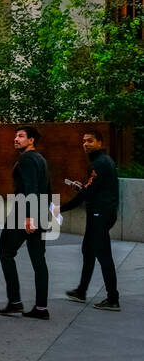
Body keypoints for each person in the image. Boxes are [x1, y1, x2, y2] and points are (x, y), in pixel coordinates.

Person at [0, 126, 53, 320]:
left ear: (31, 140)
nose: (16, 139)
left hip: (24, 213)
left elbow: (31, 187)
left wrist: (29, 217)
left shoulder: (27, 159)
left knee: (6, 253)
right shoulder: (41, 159)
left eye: (21, 136)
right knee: (39, 261)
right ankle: (41, 308)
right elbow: (45, 188)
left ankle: (15, 302)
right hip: (40, 213)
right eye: (15, 136)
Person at [62, 130, 121, 311]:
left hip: (100, 215)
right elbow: (93, 189)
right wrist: (82, 188)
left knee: (104, 257)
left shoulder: (100, 163)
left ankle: (113, 299)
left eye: (90, 141)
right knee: (88, 251)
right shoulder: (101, 162)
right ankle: (81, 291)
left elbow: (88, 193)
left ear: (100, 143)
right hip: (100, 213)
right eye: (84, 141)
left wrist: (61, 208)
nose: (86, 144)